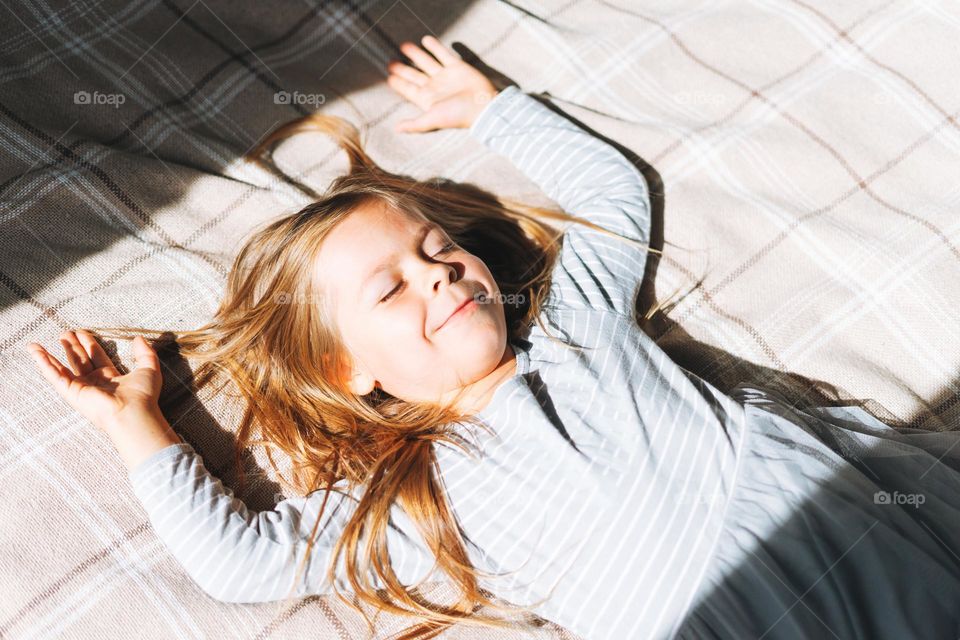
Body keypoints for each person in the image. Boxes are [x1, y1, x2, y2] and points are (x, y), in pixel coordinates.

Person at [26, 36, 960, 640]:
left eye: (438, 248)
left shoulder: (575, 325)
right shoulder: (412, 495)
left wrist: (495, 109)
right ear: (350, 373)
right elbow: (237, 561)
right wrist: (135, 421)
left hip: (858, 530)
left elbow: (612, 197)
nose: (438, 272)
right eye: (392, 289)